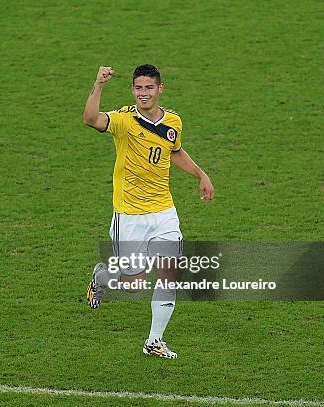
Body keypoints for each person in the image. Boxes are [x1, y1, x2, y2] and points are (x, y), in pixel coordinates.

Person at [83, 64, 214, 359]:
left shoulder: (173, 122)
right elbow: (90, 118)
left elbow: (175, 151)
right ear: (132, 90)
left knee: (169, 274)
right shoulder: (123, 120)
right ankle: (102, 277)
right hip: (129, 216)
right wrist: (99, 84)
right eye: (139, 88)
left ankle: (154, 341)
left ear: (160, 89)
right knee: (134, 286)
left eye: (149, 88)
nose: (144, 93)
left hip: (163, 212)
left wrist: (200, 174)